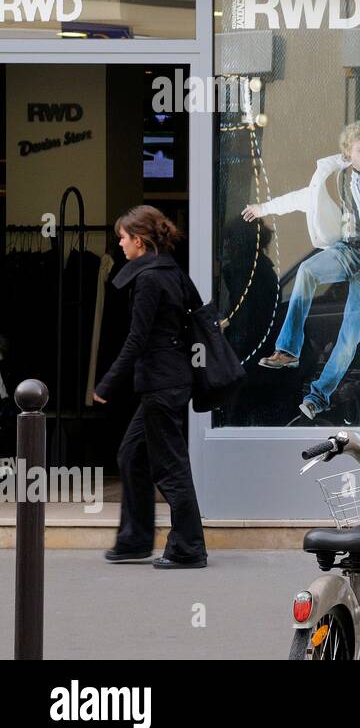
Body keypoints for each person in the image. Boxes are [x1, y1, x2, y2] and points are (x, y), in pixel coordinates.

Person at [243, 38, 360, 421]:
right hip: (346, 252)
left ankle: (318, 397)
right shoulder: (334, 178)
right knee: (307, 272)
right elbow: (300, 198)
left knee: (351, 337)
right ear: (348, 151)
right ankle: (289, 349)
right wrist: (263, 207)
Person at [94, 206, 207, 569]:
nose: (121, 246)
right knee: (131, 454)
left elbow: (137, 339)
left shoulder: (147, 279)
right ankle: (135, 540)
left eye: (123, 239)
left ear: (139, 241)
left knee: (171, 468)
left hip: (161, 383)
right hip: (173, 380)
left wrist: (108, 382)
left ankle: (188, 548)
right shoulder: (172, 271)